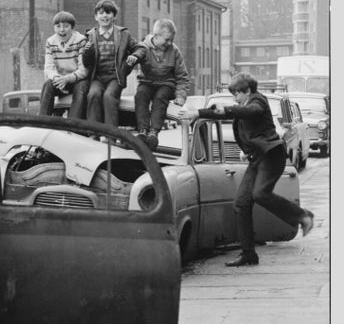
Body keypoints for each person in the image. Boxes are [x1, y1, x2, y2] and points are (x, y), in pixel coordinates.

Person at [180, 72, 315, 267]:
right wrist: (247, 150)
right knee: (241, 204)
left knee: (260, 193)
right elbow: (249, 128)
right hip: (257, 158)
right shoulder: (246, 105)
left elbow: (250, 112)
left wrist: (200, 113)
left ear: (247, 90)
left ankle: (303, 216)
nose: (235, 98)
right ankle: (249, 254)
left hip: (271, 156)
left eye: (237, 94)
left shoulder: (258, 101)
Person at [126, 19, 189, 150]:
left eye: (171, 39)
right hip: (147, 82)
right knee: (141, 95)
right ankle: (143, 130)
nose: (170, 43)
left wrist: (181, 96)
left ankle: (154, 132)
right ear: (156, 36)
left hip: (166, 84)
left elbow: (182, 76)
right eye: (167, 39)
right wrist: (133, 59)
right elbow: (136, 55)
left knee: (161, 97)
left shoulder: (174, 51)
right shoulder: (144, 47)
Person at [82, 0, 139, 127]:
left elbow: (139, 48)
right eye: (101, 13)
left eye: (108, 13)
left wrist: (134, 56)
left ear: (114, 16)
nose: (105, 16)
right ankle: (94, 133)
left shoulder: (123, 34)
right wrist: (87, 53)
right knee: (93, 95)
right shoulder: (90, 35)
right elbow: (86, 63)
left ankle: (111, 136)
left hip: (115, 77)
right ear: (96, 17)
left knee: (109, 97)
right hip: (97, 78)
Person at [39, 11, 89, 119]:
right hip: (61, 80)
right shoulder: (50, 42)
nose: (61, 30)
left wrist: (67, 79)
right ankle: (43, 121)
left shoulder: (81, 41)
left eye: (66, 26)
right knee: (48, 84)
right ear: (54, 28)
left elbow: (84, 70)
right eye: (58, 26)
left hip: (77, 79)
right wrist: (57, 78)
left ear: (72, 27)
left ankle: (73, 125)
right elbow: (48, 68)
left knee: (81, 90)